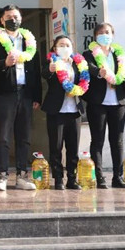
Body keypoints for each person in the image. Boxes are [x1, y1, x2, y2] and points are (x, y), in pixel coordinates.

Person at [0, 4, 42, 191]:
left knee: (24, 136)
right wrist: (5, 63)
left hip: (25, 93)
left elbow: (35, 70)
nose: (13, 20)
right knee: (3, 136)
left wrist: (36, 96)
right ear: (2, 20)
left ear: (21, 19)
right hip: (4, 93)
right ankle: (2, 174)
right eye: (9, 17)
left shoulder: (29, 41)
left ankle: (22, 176)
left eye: (16, 16)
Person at [83, 22, 125, 189]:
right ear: (95, 36)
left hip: (118, 102)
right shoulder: (89, 54)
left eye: (108, 32)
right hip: (97, 102)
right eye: (101, 33)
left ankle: (118, 177)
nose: (105, 35)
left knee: (117, 141)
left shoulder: (119, 54)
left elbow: (124, 77)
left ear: (113, 35)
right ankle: (99, 177)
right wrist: (99, 72)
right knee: (97, 140)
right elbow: (88, 68)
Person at [41, 35, 89, 190]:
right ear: (55, 48)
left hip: (74, 110)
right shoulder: (51, 61)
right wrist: (50, 70)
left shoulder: (78, 63)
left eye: (67, 45)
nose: (65, 48)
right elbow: (44, 74)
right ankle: (58, 179)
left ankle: (72, 179)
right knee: (56, 146)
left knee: (73, 147)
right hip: (56, 110)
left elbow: (84, 82)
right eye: (61, 45)